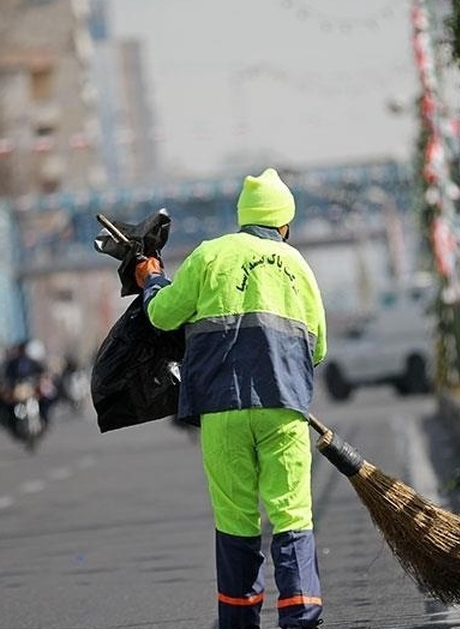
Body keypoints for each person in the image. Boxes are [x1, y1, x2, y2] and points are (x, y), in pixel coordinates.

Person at [135, 168, 328, 629]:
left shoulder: (209, 256)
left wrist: (152, 280)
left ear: (244, 217)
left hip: (221, 410)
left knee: (236, 519)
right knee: (291, 513)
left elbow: (162, 317)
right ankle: (300, 616)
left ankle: (240, 621)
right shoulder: (297, 265)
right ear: (284, 223)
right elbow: (318, 346)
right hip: (283, 407)